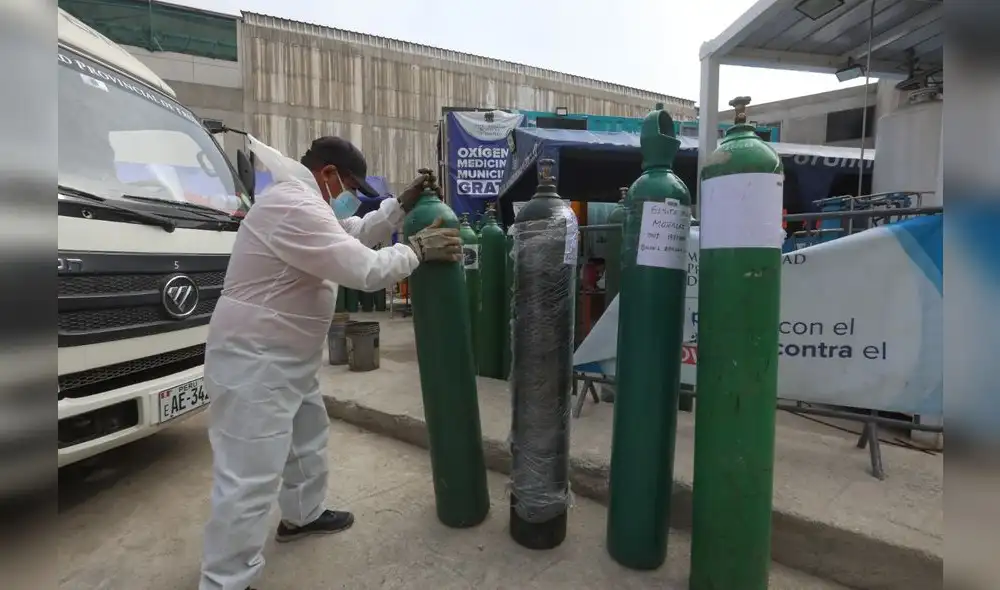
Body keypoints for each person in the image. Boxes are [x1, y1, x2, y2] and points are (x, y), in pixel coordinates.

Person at [199, 136, 462, 590]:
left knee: (306, 438)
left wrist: (399, 207)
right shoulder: (292, 205)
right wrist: (416, 250)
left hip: (284, 356)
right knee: (248, 475)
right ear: (328, 175)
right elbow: (364, 268)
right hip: (255, 360)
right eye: (351, 188)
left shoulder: (306, 204)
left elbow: (351, 234)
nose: (351, 198)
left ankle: (301, 517)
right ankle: (225, 580)